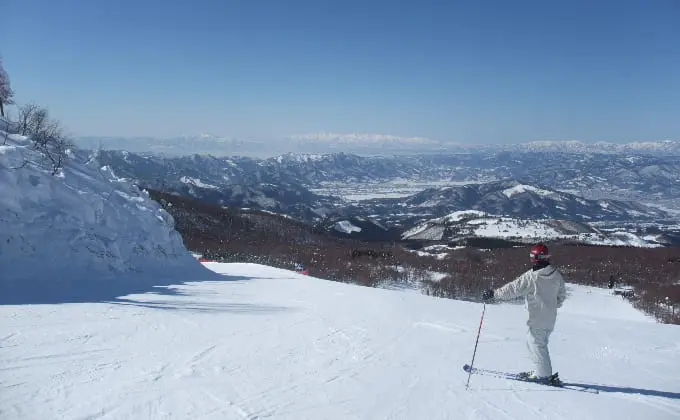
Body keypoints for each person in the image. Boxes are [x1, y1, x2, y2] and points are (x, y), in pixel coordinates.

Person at [481, 243, 567, 385]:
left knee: (537, 344)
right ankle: (539, 371)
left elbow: (513, 289)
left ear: (534, 258)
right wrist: (551, 306)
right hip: (549, 318)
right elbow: (561, 295)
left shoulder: (532, 277)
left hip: (537, 318)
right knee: (534, 343)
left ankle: (543, 376)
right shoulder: (556, 275)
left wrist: (494, 294)